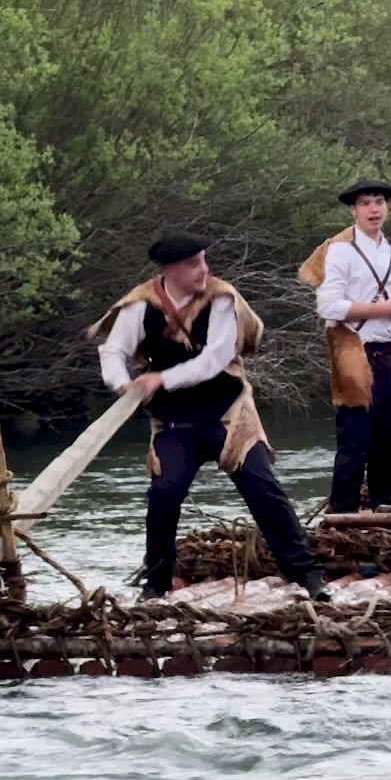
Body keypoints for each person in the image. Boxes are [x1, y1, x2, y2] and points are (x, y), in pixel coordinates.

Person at [89, 230, 327, 601]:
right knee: (164, 495)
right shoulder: (140, 305)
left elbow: (214, 359)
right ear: (170, 270)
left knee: (263, 487)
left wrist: (160, 379)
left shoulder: (221, 298)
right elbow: (113, 351)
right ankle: (156, 585)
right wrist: (123, 384)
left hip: (228, 415)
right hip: (174, 422)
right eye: (193, 264)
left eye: (203, 260)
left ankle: (309, 577)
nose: (205, 270)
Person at [298, 180, 391, 512]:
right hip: (354, 351)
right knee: (355, 440)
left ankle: (384, 509)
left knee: (389, 441)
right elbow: (328, 306)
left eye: (379, 202)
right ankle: (343, 513)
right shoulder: (340, 251)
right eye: (365, 203)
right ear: (354, 211)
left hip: (390, 353)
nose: (374, 209)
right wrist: (380, 310)